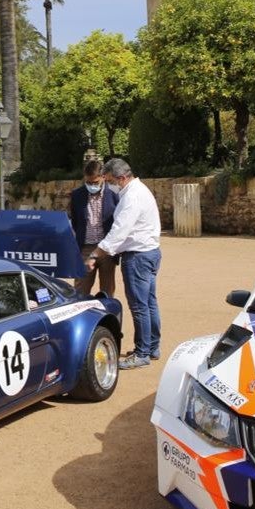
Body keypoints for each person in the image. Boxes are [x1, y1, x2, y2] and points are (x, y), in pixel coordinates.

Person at [86, 158, 161, 369]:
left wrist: (95, 254)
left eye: (110, 180)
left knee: (139, 306)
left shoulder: (132, 196)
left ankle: (142, 352)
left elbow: (120, 230)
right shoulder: (137, 191)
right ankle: (152, 346)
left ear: (121, 177)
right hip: (149, 252)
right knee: (149, 303)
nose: (110, 184)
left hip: (138, 256)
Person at [69, 159, 120, 296]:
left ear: (103, 177)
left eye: (95, 182)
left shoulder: (115, 195)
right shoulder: (77, 195)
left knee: (107, 291)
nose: (91, 185)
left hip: (106, 249)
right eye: (88, 182)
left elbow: (118, 222)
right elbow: (75, 221)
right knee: (80, 291)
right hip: (85, 249)